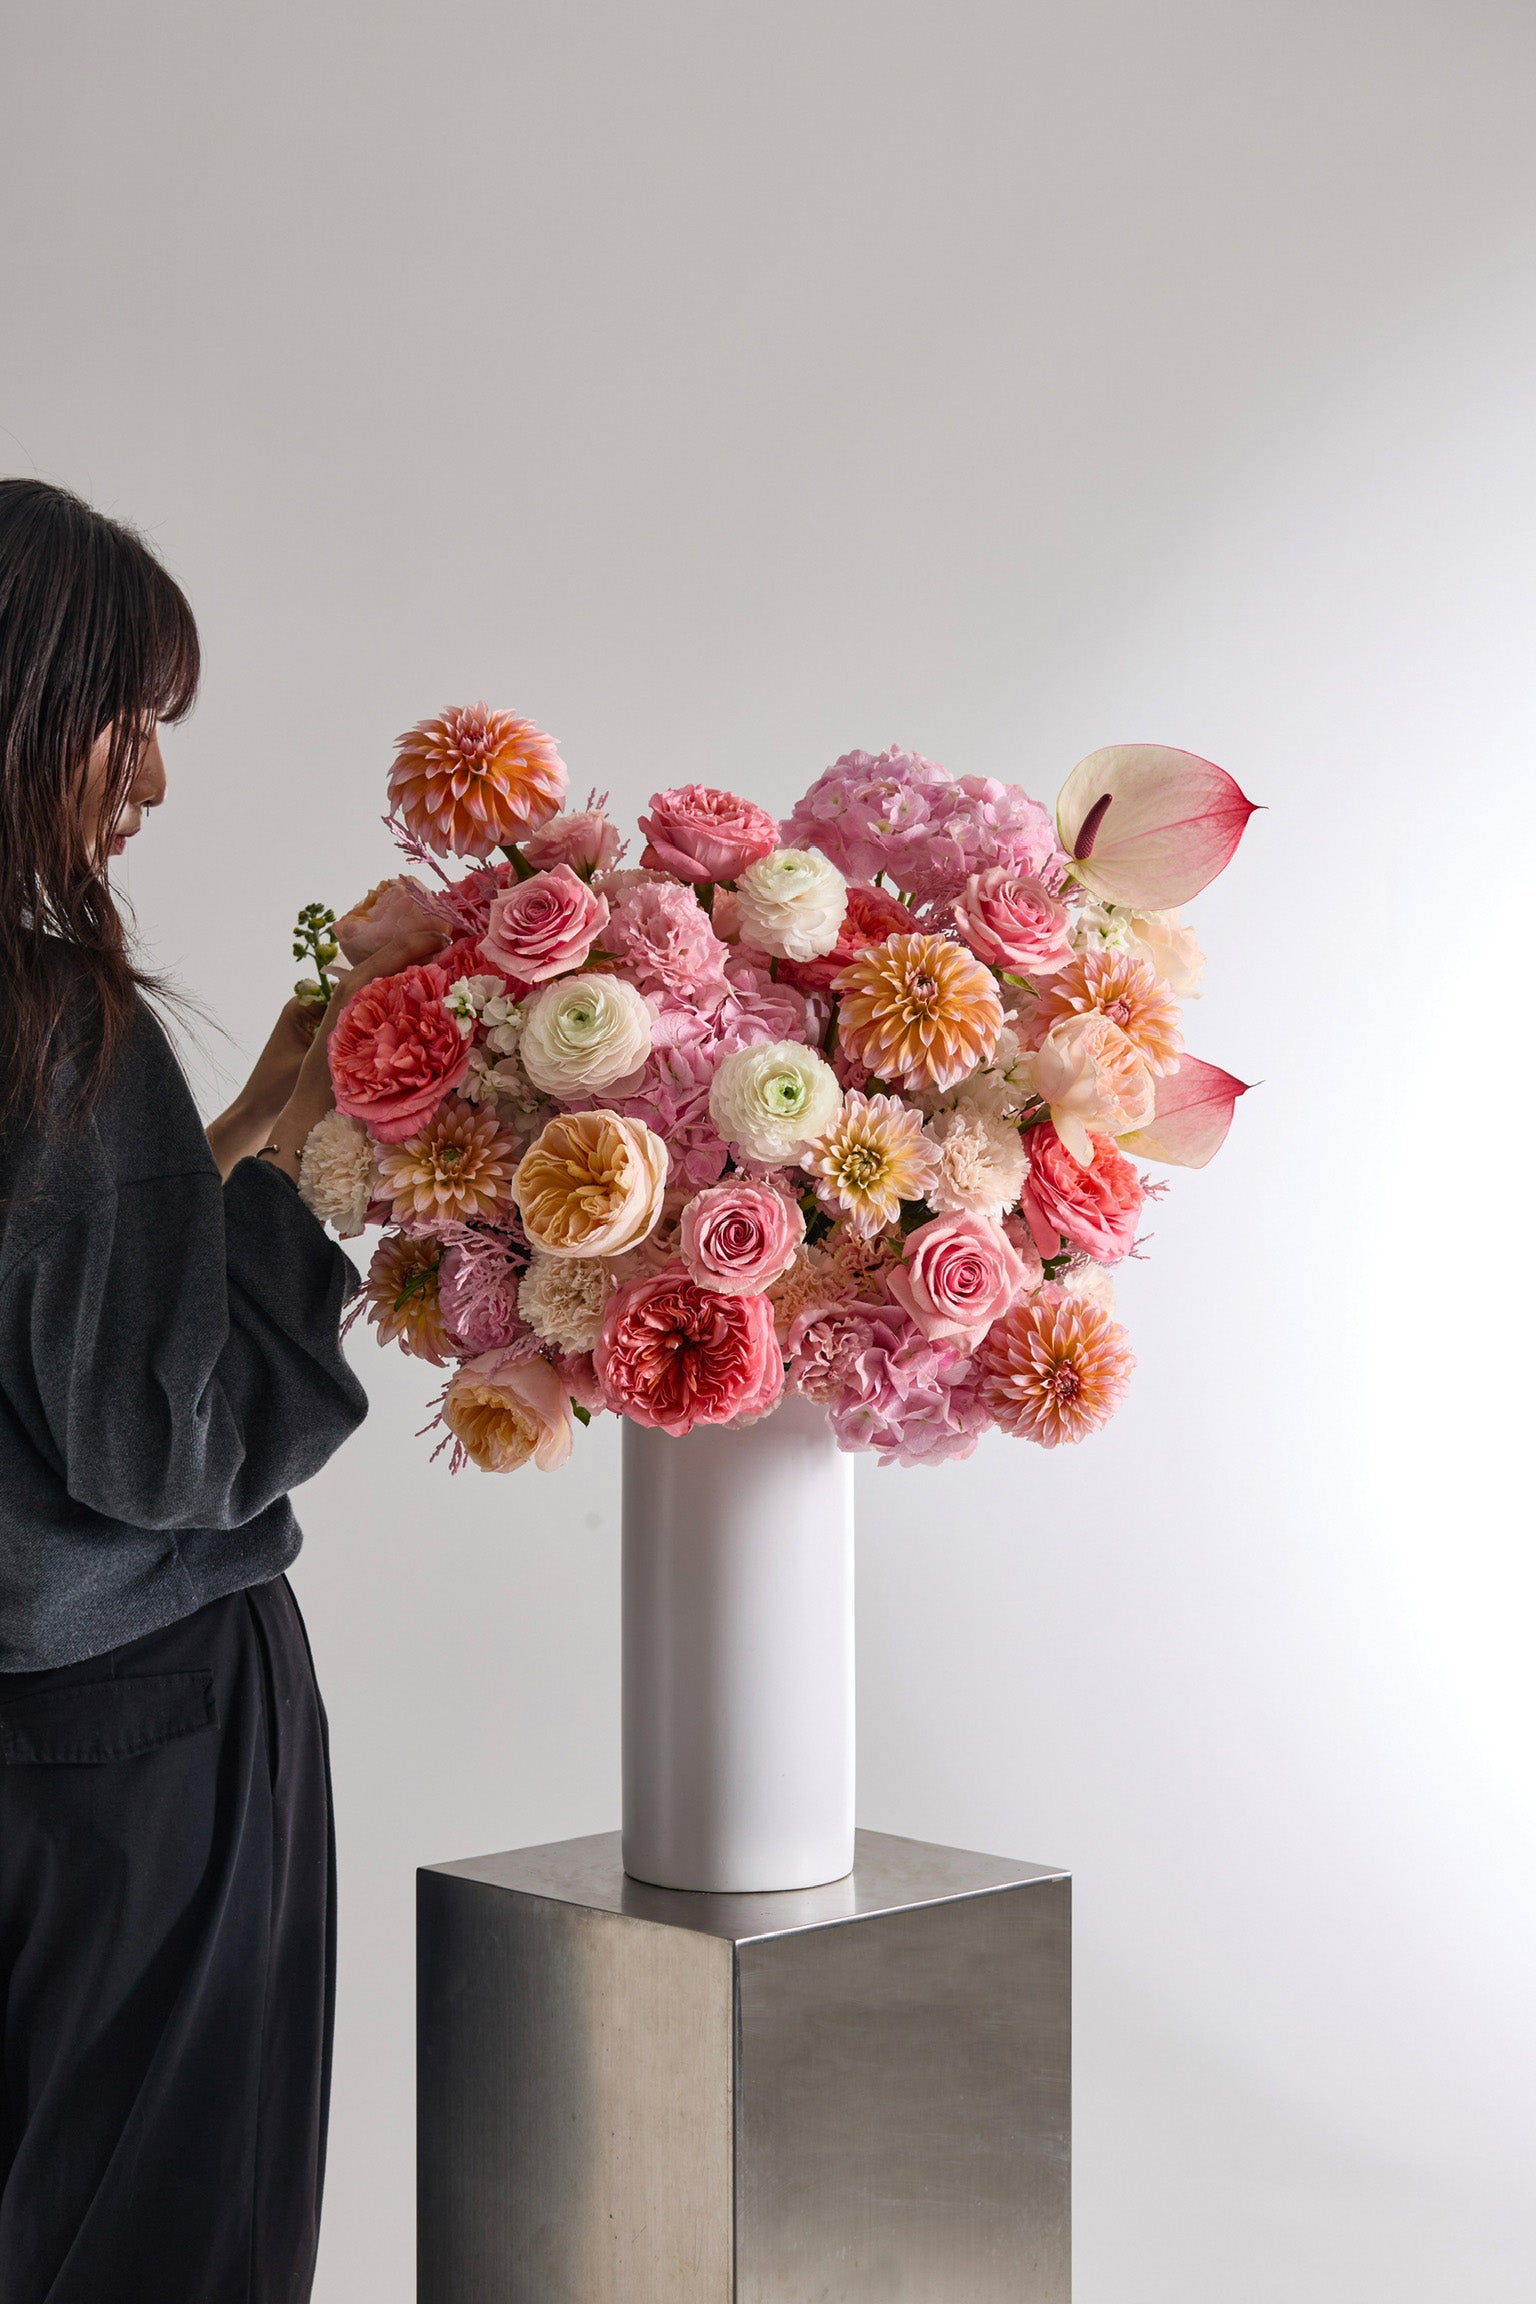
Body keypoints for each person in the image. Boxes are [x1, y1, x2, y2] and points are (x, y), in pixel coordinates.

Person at [0, 478, 440, 2303]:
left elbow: (62, 1286)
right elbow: (164, 1439)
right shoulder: (48, 1021)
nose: (151, 783)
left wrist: (255, 1118)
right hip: (140, 1736)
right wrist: (308, 1197)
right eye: (132, 722)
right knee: (166, 2243)